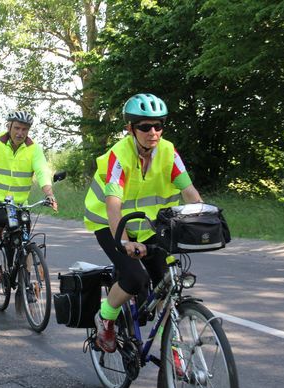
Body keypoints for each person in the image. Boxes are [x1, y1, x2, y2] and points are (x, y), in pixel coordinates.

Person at [83, 93, 202, 353]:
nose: (153, 132)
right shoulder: (119, 155)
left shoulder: (168, 151)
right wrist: (125, 241)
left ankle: (171, 346)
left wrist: (203, 221)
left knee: (165, 281)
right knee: (135, 277)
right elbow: (113, 203)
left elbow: (190, 192)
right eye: (145, 127)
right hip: (108, 221)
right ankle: (106, 318)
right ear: (130, 128)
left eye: (158, 125)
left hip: (148, 225)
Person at [0, 111, 57, 273]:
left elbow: (42, 171)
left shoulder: (33, 149)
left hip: (19, 202)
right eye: (17, 128)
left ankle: (25, 281)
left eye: (24, 129)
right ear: (9, 126)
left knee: (24, 235)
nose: (20, 133)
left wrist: (49, 193)